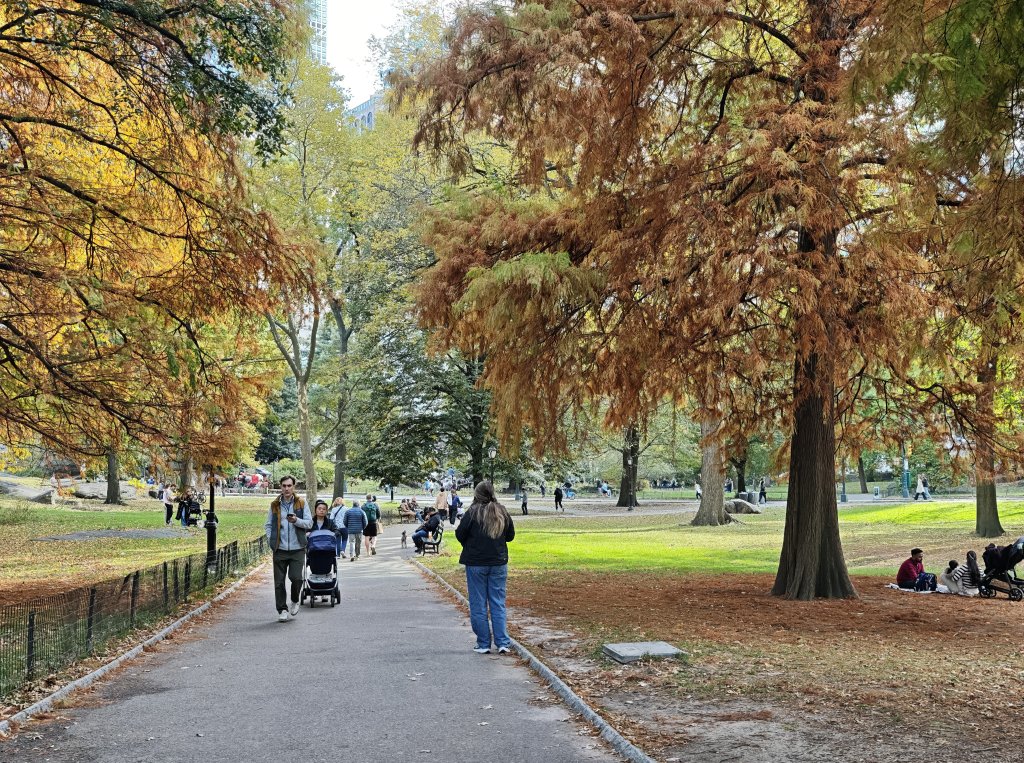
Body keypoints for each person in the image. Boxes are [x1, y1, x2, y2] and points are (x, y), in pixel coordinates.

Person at [456, 481, 516, 655]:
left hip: (476, 563)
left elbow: (460, 534)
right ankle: (503, 642)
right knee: (498, 603)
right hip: (498, 562)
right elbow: (510, 535)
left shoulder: (473, 512)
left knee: (478, 603)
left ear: (477, 494)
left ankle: (483, 643)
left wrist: (471, 544)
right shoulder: (501, 511)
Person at [264, 476, 312, 622]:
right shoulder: (275, 505)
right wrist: (271, 540)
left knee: (296, 578)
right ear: (280, 487)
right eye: (284, 486)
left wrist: (296, 520)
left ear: (294, 487)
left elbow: (309, 524)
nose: (286, 488)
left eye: (289, 486)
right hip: (280, 549)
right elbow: (268, 525)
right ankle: (282, 610)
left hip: (297, 548)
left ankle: (295, 600)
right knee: (279, 582)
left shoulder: (301, 503)